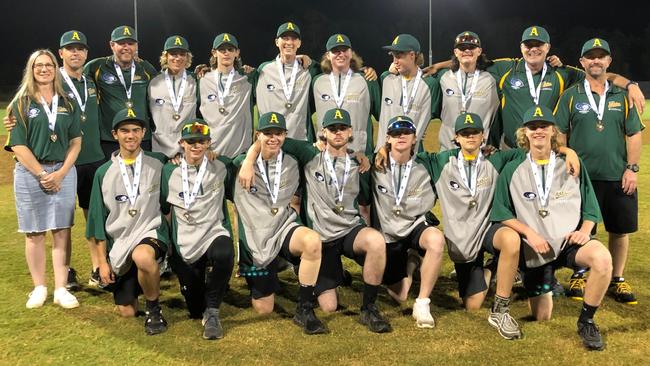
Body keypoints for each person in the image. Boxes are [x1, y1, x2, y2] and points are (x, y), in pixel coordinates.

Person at [242, 108, 392, 333]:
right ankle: (313, 291)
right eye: (332, 129)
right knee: (329, 306)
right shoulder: (308, 154)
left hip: (350, 231)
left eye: (342, 129)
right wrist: (248, 159)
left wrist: (366, 156)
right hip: (321, 239)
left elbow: (367, 202)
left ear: (350, 131)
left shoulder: (359, 163)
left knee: (376, 241)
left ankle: (369, 308)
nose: (338, 133)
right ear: (324, 132)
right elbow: (271, 141)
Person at [491, 105, 612, 351]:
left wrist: (585, 230)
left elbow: (591, 208)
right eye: (533, 127)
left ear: (552, 130)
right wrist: (529, 233)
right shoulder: (513, 168)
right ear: (524, 132)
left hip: (567, 243)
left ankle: (586, 321)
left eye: (543, 126)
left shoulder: (571, 165)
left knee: (602, 259)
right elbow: (502, 211)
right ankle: (532, 279)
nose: (538, 131)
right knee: (542, 315)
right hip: (535, 250)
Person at [555, 38, 644, 304]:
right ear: (582, 62)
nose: (595, 60)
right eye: (589, 57)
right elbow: (560, 134)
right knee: (581, 229)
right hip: (580, 179)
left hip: (617, 175)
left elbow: (634, 134)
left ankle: (617, 278)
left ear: (608, 61)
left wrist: (632, 169)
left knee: (620, 230)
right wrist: (566, 156)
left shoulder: (622, 96)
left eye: (600, 56)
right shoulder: (571, 95)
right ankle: (580, 273)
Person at [233, 112, 327, 335]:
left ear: (286, 135)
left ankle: (304, 309)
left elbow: (334, 148)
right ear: (258, 135)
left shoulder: (296, 157)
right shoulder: (238, 165)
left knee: (312, 241)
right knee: (264, 308)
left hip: (284, 227)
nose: (273, 138)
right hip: (255, 241)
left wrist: (363, 156)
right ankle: (264, 269)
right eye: (267, 134)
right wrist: (248, 159)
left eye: (279, 133)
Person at [4, 49, 81, 309]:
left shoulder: (68, 101)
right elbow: (18, 145)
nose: (45, 69)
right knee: (34, 232)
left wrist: (60, 173)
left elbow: (75, 141)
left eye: (49, 65)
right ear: (31, 69)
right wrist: (42, 173)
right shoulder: (21, 103)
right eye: (39, 66)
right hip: (30, 173)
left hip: (63, 172)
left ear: (56, 68)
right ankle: (39, 287)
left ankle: (61, 288)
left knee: (62, 230)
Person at [86, 108, 170, 335]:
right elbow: (96, 222)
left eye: (135, 130)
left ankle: (154, 310)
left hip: (150, 233)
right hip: (120, 244)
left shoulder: (159, 163)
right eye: (124, 131)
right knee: (127, 311)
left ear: (143, 133)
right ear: (115, 134)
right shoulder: (103, 173)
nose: (130, 136)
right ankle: (144, 281)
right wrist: (102, 263)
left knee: (142, 256)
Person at [160, 120, 234, 340]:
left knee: (224, 253)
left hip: (212, 232)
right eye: (190, 141)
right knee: (194, 309)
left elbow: (241, 161)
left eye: (201, 141)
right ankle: (201, 297)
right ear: (181, 143)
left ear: (209, 143)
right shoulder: (168, 171)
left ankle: (212, 312)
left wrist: (220, 155)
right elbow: (163, 209)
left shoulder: (220, 166)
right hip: (185, 241)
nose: (196, 146)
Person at [371, 116, 444, 329]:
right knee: (400, 294)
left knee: (436, 240)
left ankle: (422, 304)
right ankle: (412, 261)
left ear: (415, 138)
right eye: (395, 133)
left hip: (414, 226)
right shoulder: (375, 163)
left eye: (406, 132)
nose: (400, 136)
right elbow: (348, 156)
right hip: (389, 234)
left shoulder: (428, 163)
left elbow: (460, 154)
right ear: (388, 139)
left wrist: (488, 151)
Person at [85, 25, 158, 158]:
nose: (126, 47)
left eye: (130, 43)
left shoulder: (146, 68)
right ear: (112, 45)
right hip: (110, 138)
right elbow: (75, 77)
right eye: (121, 43)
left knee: (143, 177)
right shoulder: (96, 67)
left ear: (136, 46)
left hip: (141, 137)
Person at [312, 33, 380, 155]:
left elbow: (383, 115)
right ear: (328, 55)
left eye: (344, 50)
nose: (341, 54)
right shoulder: (317, 82)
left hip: (359, 154)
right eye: (335, 51)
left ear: (351, 53)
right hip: (324, 152)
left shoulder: (368, 80)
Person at [433, 31, 499, 150]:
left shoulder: (492, 78)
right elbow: (414, 75)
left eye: (472, 47)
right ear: (455, 52)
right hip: (448, 151)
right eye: (462, 48)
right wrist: (394, 71)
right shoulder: (442, 77)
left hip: (481, 153)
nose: (467, 50)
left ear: (479, 51)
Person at [255, 22, 318, 141]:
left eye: (294, 38)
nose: (289, 42)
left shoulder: (309, 69)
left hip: (301, 141)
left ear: (299, 43)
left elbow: (333, 69)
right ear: (276, 42)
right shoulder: (263, 70)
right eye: (285, 38)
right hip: (271, 140)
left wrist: (362, 71)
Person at [376, 34, 439, 152]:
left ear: (412, 55)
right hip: (384, 156)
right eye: (393, 57)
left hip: (413, 156)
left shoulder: (430, 85)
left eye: (399, 56)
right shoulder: (386, 79)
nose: (395, 61)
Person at [199, 33, 255, 158]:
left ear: (237, 53)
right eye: (222, 50)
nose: (226, 53)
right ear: (214, 53)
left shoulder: (248, 78)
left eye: (230, 49)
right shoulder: (202, 80)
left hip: (241, 154)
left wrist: (301, 57)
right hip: (212, 153)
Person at [149, 35, 198, 158]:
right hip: (159, 149)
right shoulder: (153, 82)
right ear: (166, 56)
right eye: (173, 54)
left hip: (186, 149)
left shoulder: (195, 80)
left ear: (187, 57)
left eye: (182, 54)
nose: (178, 58)